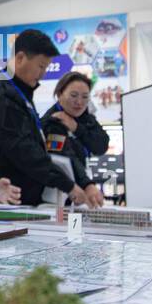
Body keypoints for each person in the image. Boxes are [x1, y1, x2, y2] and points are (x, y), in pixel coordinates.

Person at [0, 29, 87, 207]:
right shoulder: (1, 97)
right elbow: (24, 151)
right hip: (5, 199)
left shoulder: (19, 94)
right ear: (20, 58)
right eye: (41, 66)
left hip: (23, 198)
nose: (43, 74)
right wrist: (67, 184)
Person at [39, 71, 108, 208]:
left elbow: (101, 145)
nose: (79, 102)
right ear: (60, 95)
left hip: (78, 193)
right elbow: (63, 157)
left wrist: (77, 128)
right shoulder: (52, 122)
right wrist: (87, 184)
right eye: (73, 95)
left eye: (85, 97)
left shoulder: (85, 118)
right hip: (56, 195)